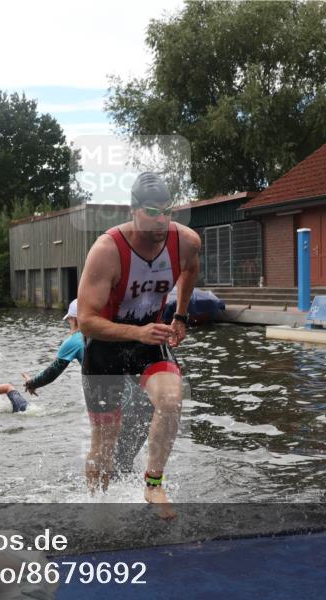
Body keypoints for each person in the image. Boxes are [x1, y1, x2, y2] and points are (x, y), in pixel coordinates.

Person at [76, 172, 201, 517]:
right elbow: (86, 320)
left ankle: (153, 485)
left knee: (172, 400)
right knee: (105, 442)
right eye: (151, 211)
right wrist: (137, 332)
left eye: (167, 211)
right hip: (105, 345)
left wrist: (181, 316)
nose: (161, 220)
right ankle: (98, 509)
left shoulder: (186, 242)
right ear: (133, 211)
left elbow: (190, 270)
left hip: (151, 340)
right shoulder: (107, 250)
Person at [23, 299, 153, 475]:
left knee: (105, 459)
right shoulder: (119, 334)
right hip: (144, 404)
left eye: (69, 320)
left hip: (116, 404)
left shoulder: (76, 339)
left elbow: (51, 373)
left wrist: (31, 383)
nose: (69, 324)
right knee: (124, 463)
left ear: (76, 319)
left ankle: (101, 500)